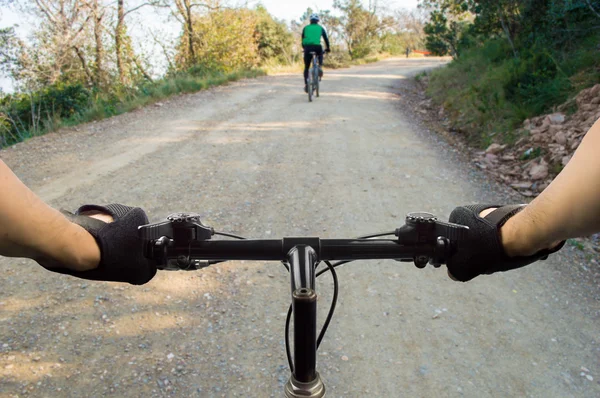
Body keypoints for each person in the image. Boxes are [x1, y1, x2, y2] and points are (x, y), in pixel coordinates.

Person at [1, 118, 599, 284]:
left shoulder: (314, 28)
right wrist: (504, 238)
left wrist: (93, 247)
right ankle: (520, 233)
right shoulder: (316, 26)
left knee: (83, 245)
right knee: (519, 232)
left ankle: (80, 247)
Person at [301, 13, 331, 93]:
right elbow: (326, 39)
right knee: (320, 53)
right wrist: (328, 48)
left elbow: (303, 39)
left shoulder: (305, 28)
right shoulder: (320, 28)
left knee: (306, 67)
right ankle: (320, 66)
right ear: (318, 21)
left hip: (307, 48)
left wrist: (304, 48)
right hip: (317, 47)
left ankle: (306, 84)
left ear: (310, 21)